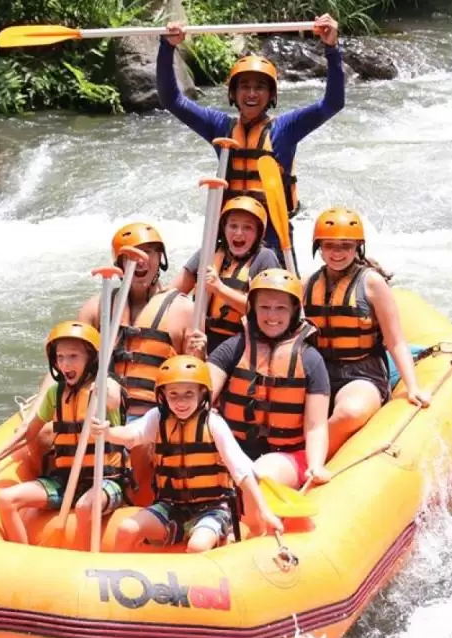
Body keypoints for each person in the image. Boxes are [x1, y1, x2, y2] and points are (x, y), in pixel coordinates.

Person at [158, 14, 345, 269]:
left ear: (271, 95)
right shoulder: (220, 126)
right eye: (244, 86)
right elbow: (173, 101)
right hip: (230, 236)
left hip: (273, 239)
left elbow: (332, 103)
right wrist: (167, 47)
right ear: (233, 93)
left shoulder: (285, 129)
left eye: (260, 87)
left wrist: (332, 49)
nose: (252, 93)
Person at [91, 355, 282, 552]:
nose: (180, 402)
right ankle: (119, 578)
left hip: (213, 508)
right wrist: (107, 433)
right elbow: (132, 435)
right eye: (173, 394)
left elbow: (241, 472)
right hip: (171, 506)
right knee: (126, 529)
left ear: (202, 393)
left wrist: (265, 512)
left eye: (188, 394)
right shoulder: (158, 418)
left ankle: (219, 542)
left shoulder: (213, 423)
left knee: (198, 546)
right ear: (163, 394)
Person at [0, 321, 128, 547]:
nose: (65, 364)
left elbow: (114, 399)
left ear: (91, 359)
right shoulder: (55, 394)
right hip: (65, 480)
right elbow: (29, 433)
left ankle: (80, 566)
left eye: (73, 356)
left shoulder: (106, 387)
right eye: (60, 357)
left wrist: (102, 387)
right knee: (5, 500)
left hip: (105, 481)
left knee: (84, 507)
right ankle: (22, 558)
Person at [302, 208, 430, 460]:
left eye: (345, 246)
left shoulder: (371, 283)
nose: (337, 253)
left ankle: (309, 461)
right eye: (329, 246)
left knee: (350, 412)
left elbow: (395, 340)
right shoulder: (307, 283)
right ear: (319, 247)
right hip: (318, 372)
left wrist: (413, 386)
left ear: (357, 248)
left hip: (362, 373)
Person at [205, 269, 334, 494]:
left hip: (287, 456)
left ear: (294, 311)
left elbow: (315, 426)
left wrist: (315, 465)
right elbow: (201, 397)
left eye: (280, 308)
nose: (271, 316)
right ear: (252, 308)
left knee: (259, 473)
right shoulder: (233, 349)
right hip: (235, 449)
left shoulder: (310, 359)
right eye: (264, 307)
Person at [77, 222, 200, 420]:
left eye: (148, 252)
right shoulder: (96, 308)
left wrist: (198, 354)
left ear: (160, 257)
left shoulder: (183, 309)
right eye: (131, 255)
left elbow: (194, 382)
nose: (140, 260)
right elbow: (68, 358)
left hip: (152, 419)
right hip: (102, 414)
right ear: (119, 264)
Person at [170, 196, 280, 353]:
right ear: (224, 228)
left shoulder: (265, 258)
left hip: (242, 342)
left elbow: (267, 312)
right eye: (233, 226)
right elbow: (172, 294)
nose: (239, 233)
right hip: (201, 336)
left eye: (247, 228)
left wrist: (219, 288)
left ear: (258, 234)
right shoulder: (208, 253)